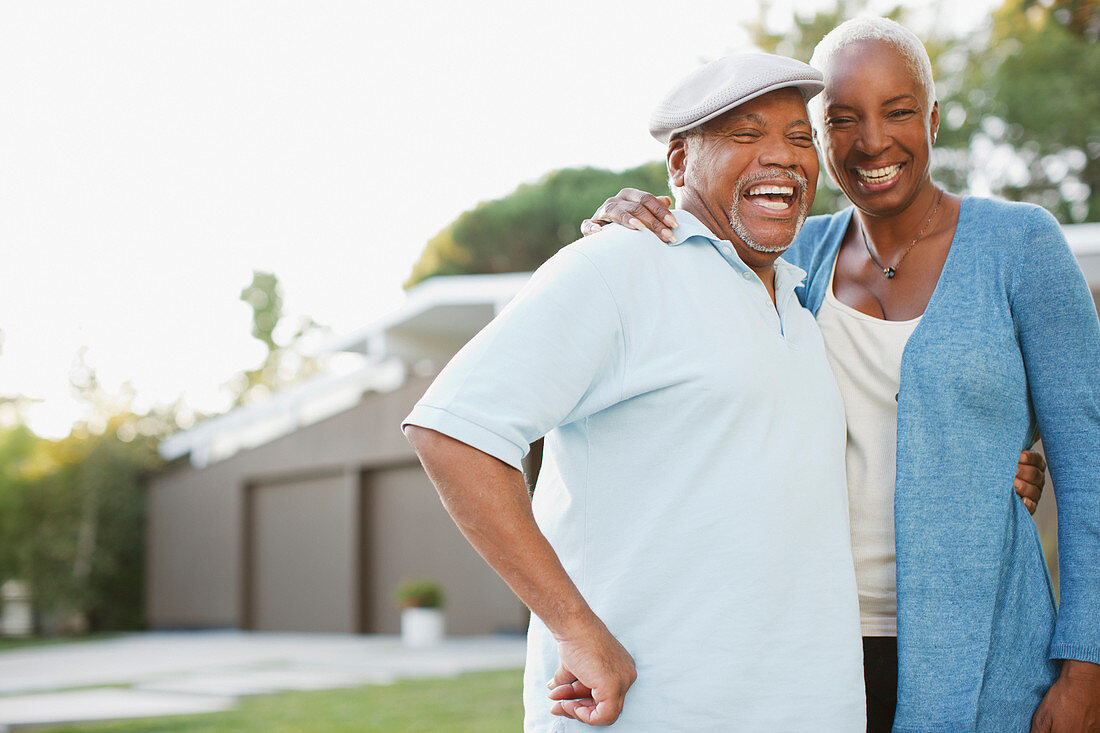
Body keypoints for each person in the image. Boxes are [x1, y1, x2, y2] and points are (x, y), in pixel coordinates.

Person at [581, 17, 1100, 733]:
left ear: (935, 118)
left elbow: (1090, 467)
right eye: (841, 119)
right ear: (819, 137)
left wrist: (1086, 667)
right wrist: (629, 217)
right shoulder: (788, 258)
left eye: (898, 111)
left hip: (986, 654)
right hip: (807, 646)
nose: (873, 141)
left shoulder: (1020, 245)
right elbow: (695, 314)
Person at [404, 53, 869, 731]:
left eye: (801, 138)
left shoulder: (801, 302)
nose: (783, 157)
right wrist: (574, 627)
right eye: (746, 135)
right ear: (679, 165)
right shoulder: (620, 264)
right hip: (651, 711)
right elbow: (454, 430)